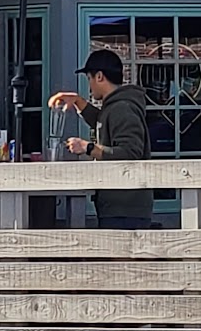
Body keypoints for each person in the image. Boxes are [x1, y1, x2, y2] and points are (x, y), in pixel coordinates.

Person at [48, 48, 152, 228]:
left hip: (125, 209)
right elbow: (103, 122)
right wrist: (79, 102)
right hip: (121, 205)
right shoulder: (115, 106)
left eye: (89, 78)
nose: (89, 85)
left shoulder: (122, 108)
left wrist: (88, 148)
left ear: (99, 76)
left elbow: (130, 153)